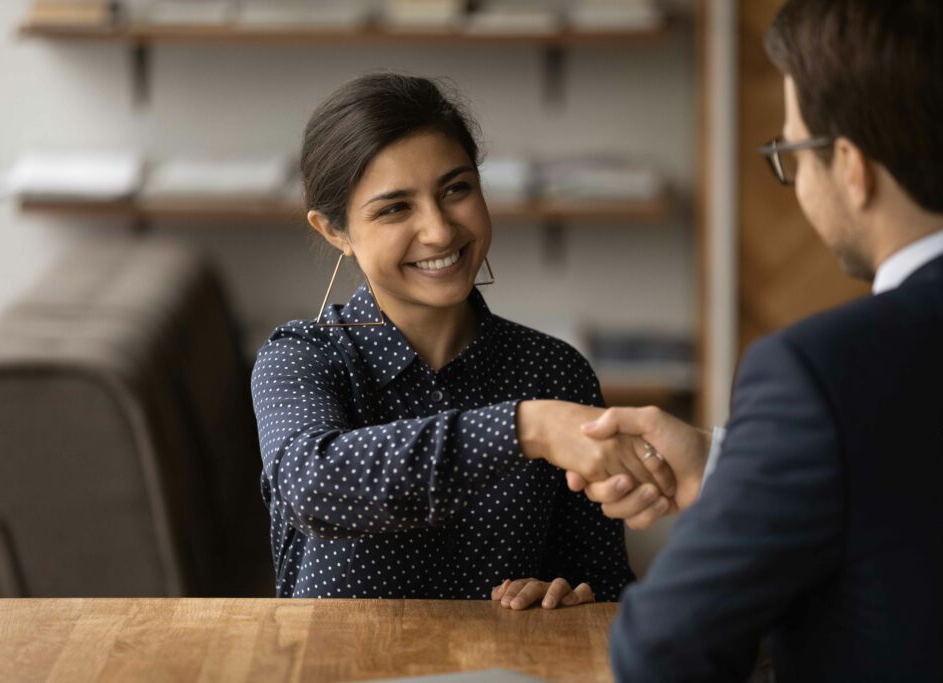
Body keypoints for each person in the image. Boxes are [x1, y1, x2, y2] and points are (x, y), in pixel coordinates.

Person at [552, 0, 943, 680]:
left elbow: (662, 649)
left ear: (851, 167)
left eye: (793, 152)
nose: (795, 180)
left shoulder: (821, 371)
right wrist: (727, 466)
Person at [250, 73, 675, 606]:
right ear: (335, 232)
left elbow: (606, 586)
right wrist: (526, 428)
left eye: (456, 189)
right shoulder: (301, 357)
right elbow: (314, 487)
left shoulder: (555, 372)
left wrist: (571, 597)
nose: (440, 231)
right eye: (394, 208)